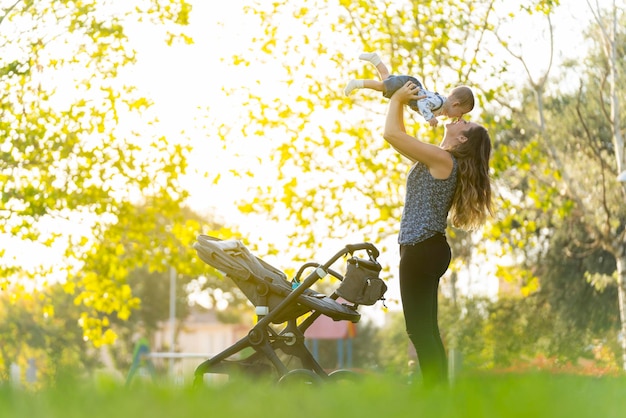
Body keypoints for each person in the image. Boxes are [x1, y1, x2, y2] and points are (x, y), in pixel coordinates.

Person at [382, 81, 493, 389]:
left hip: (421, 248)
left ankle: (435, 398)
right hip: (428, 248)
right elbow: (401, 137)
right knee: (427, 330)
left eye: (466, 123)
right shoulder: (439, 158)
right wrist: (402, 102)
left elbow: (391, 134)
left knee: (419, 331)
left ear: (462, 139)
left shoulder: (444, 161)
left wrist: (398, 99)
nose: (461, 119)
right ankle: (439, 396)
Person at [344, 52, 475, 127]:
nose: (459, 117)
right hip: (410, 86)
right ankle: (357, 83)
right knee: (381, 86)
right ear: (455, 104)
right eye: (461, 113)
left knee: (386, 78)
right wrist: (429, 117)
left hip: (411, 87)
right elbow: (422, 103)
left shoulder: (441, 107)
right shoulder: (439, 103)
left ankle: (375, 60)